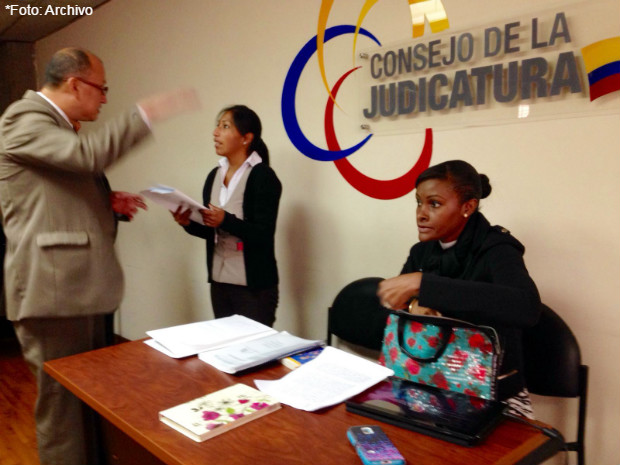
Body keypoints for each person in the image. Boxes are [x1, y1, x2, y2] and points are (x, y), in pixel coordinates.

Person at [0, 47, 198, 465]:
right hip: (52, 295)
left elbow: (52, 193)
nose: (105, 98)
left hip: (75, 290)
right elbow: (87, 155)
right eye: (102, 88)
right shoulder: (23, 118)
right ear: (75, 85)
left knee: (87, 402)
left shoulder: (54, 126)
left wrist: (105, 201)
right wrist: (145, 113)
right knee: (63, 413)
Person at [377, 160, 540, 418]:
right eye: (418, 202)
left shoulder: (498, 249)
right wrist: (411, 303)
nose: (421, 214)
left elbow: (526, 307)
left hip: (490, 395)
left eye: (434, 204)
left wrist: (424, 285)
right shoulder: (422, 251)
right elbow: (399, 310)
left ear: (468, 207)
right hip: (426, 380)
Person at [173, 105, 281, 327]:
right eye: (217, 126)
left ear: (246, 138)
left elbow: (263, 233)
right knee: (224, 345)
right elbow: (212, 231)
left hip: (254, 288)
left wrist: (226, 220)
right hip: (219, 283)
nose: (215, 133)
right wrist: (188, 223)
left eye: (224, 126)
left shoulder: (263, 176)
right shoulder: (214, 175)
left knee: (254, 347)